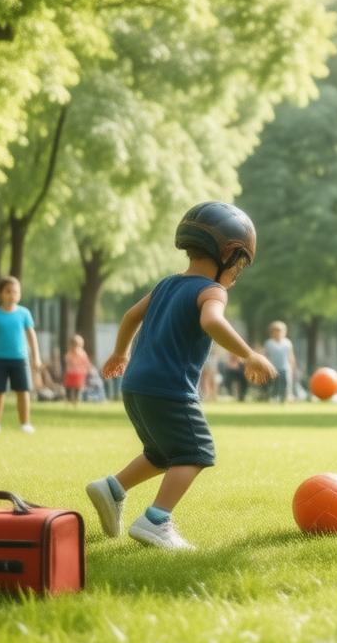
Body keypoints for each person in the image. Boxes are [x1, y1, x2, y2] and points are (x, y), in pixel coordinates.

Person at [84, 202, 276, 550]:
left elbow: (129, 316)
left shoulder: (165, 285)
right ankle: (156, 520)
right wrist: (249, 354)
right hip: (170, 389)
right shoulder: (211, 291)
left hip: (135, 387)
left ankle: (112, 488)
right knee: (195, 452)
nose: (238, 272)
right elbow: (212, 322)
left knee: (161, 453)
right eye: (242, 263)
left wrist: (120, 352)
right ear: (228, 255)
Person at [0, 276, 41, 433]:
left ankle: (25, 423)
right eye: (8, 291)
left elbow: (31, 336)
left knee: (23, 391)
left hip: (20, 359)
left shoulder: (24, 313)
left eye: (15, 291)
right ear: (0, 293)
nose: (12, 294)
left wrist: (36, 357)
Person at [263, 321, 298, 403]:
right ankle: (273, 398)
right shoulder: (269, 343)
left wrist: (293, 367)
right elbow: (266, 356)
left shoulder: (287, 343)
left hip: (285, 368)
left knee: (285, 384)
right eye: (276, 331)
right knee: (274, 385)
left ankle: (283, 399)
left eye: (280, 331)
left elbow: (291, 356)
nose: (278, 333)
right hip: (273, 368)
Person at [63, 334, 93, 406]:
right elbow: (67, 359)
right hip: (71, 373)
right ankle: (69, 400)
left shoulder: (81, 353)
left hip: (79, 374)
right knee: (69, 387)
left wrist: (89, 369)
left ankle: (75, 401)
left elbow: (86, 362)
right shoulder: (70, 353)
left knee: (77, 388)